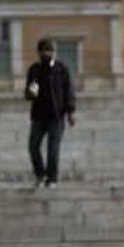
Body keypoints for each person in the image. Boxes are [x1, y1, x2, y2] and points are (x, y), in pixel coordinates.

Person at [24, 38, 76, 188]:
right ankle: (40, 174)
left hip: (56, 116)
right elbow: (29, 94)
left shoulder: (62, 69)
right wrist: (32, 90)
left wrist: (71, 112)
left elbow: (69, 92)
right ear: (39, 52)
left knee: (53, 149)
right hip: (39, 116)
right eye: (45, 50)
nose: (48, 53)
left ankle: (52, 178)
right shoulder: (34, 70)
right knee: (33, 146)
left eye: (51, 50)